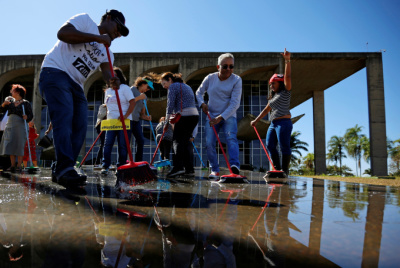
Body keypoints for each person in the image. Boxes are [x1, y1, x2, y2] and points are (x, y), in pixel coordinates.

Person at [39, 9, 129, 187]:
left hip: (77, 84)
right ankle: (65, 168)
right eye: (118, 27)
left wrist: (113, 79)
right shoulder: (85, 21)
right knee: (64, 118)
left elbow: (106, 71)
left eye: (121, 33)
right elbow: (63, 34)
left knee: (80, 125)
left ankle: (63, 168)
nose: (118, 33)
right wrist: (97, 38)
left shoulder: (108, 53)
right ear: (108, 18)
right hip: (55, 71)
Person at [195, 53, 242, 179]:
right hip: (211, 115)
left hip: (228, 115)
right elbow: (199, 93)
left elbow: (235, 103)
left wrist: (221, 117)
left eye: (231, 67)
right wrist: (202, 104)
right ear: (218, 66)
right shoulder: (210, 78)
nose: (228, 70)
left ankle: (234, 166)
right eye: (225, 66)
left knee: (230, 137)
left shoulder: (237, 80)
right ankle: (214, 170)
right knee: (209, 143)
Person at [251, 49, 292, 177]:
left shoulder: (286, 91)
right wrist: (256, 120)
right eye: (270, 84)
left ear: (279, 83)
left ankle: (284, 171)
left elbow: (288, 77)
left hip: (284, 122)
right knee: (270, 145)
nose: (271, 86)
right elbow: (266, 110)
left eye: (273, 83)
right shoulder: (274, 97)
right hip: (273, 124)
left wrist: (287, 61)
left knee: (284, 146)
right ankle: (277, 169)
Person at [159, 72, 199, 178]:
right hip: (194, 116)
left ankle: (178, 168)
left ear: (170, 79)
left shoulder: (173, 87)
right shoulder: (186, 86)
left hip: (184, 117)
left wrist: (166, 122)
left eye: (164, 83)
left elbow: (170, 105)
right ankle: (189, 169)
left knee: (176, 142)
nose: (164, 86)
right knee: (185, 143)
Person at [101, 67, 136, 175]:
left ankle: (120, 166)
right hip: (111, 122)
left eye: (115, 75)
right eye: (111, 75)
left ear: (119, 77)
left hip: (124, 121)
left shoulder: (124, 88)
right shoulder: (108, 91)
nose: (113, 77)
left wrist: (125, 115)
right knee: (107, 144)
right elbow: (107, 106)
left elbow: (132, 102)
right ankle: (105, 166)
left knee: (122, 144)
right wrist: (106, 118)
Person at [0, 85, 33, 173]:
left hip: (20, 125)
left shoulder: (26, 103)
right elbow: (1, 110)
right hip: (10, 125)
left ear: (18, 92)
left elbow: (30, 115)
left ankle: (19, 165)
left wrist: (27, 117)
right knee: (10, 144)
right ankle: (12, 165)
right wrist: (4, 104)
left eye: (13, 91)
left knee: (19, 144)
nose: (11, 92)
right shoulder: (10, 102)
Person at [130, 75, 155, 162]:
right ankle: (122, 162)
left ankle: (138, 161)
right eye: (148, 87)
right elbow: (126, 103)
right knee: (126, 142)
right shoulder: (132, 90)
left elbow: (141, 114)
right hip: (128, 120)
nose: (148, 90)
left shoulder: (145, 97)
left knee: (141, 140)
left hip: (136, 121)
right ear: (143, 84)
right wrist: (139, 98)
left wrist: (145, 117)